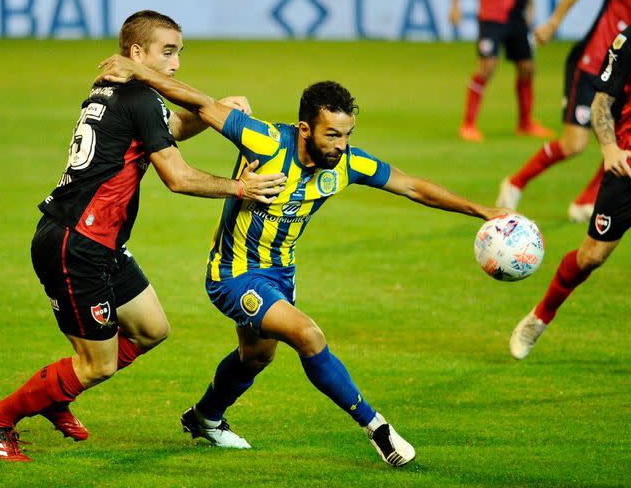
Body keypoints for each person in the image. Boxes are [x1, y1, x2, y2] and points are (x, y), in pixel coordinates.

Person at [96, 55, 510, 467]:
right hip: (234, 274)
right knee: (308, 335)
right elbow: (202, 104)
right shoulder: (265, 140)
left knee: (256, 357)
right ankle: (377, 428)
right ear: (306, 128)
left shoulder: (347, 164)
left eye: (347, 135)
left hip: (280, 274)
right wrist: (140, 72)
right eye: (332, 135)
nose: (341, 145)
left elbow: (413, 187)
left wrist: (481, 211)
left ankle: (205, 417)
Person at [0, 10, 286, 462]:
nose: (175, 64)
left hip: (102, 242)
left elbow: (168, 130)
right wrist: (241, 187)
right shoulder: (138, 96)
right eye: (167, 52)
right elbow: (176, 177)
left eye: (179, 53)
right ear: (137, 53)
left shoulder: (122, 92)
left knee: (150, 330)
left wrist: (213, 110)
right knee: (95, 364)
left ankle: (56, 396)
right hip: (75, 243)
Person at [510, 26, 631, 360]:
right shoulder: (626, 42)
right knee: (591, 256)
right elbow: (601, 104)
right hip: (626, 170)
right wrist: (609, 148)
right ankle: (540, 316)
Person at [497, 0, 631, 223]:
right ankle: (515, 182)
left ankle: (585, 201)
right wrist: (553, 22)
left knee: (624, 142)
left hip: (623, 78)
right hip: (590, 67)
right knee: (574, 145)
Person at [450, 0, 553, 142]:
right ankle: (468, 124)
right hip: (492, 16)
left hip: (517, 18)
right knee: (487, 66)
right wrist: (456, 4)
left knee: (527, 67)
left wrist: (531, 5)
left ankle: (525, 123)